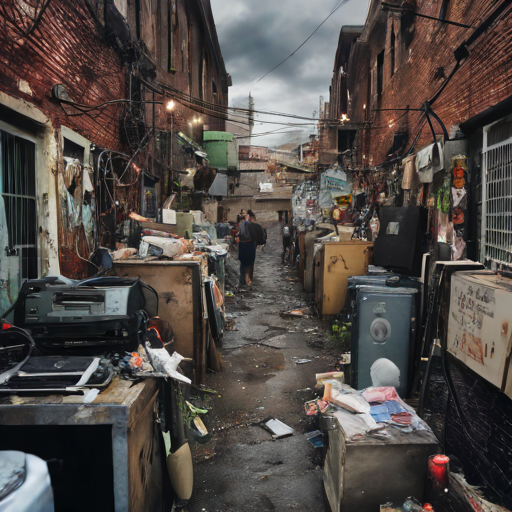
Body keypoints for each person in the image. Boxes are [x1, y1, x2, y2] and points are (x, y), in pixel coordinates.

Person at [246, 210, 265, 283]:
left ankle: (245, 277)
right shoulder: (257, 226)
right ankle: (249, 278)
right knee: (250, 263)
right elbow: (262, 239)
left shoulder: (244, 226)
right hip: (252, 245)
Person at [238, 214, 256, 287]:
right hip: (250, 246)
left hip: (243, 246)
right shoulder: (250, 225)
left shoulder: (242, 225)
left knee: (243, 264)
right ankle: (248, 279)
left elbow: (240, 235)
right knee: (250, 264)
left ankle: (243, 280)